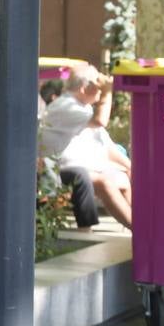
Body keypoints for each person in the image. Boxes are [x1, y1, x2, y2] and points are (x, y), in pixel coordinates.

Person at [41, 64, 117, 229]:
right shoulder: (65, 106)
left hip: (80, 165)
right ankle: (138, 228)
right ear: (84, 88)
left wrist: (130, 167)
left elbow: (107, 146)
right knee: (97, 180)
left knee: (123, 179)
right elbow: (100, 121)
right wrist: (107, 92)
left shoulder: (83, 106)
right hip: (58, 168)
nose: (99, 88)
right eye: (97, 83)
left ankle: (142, 229)